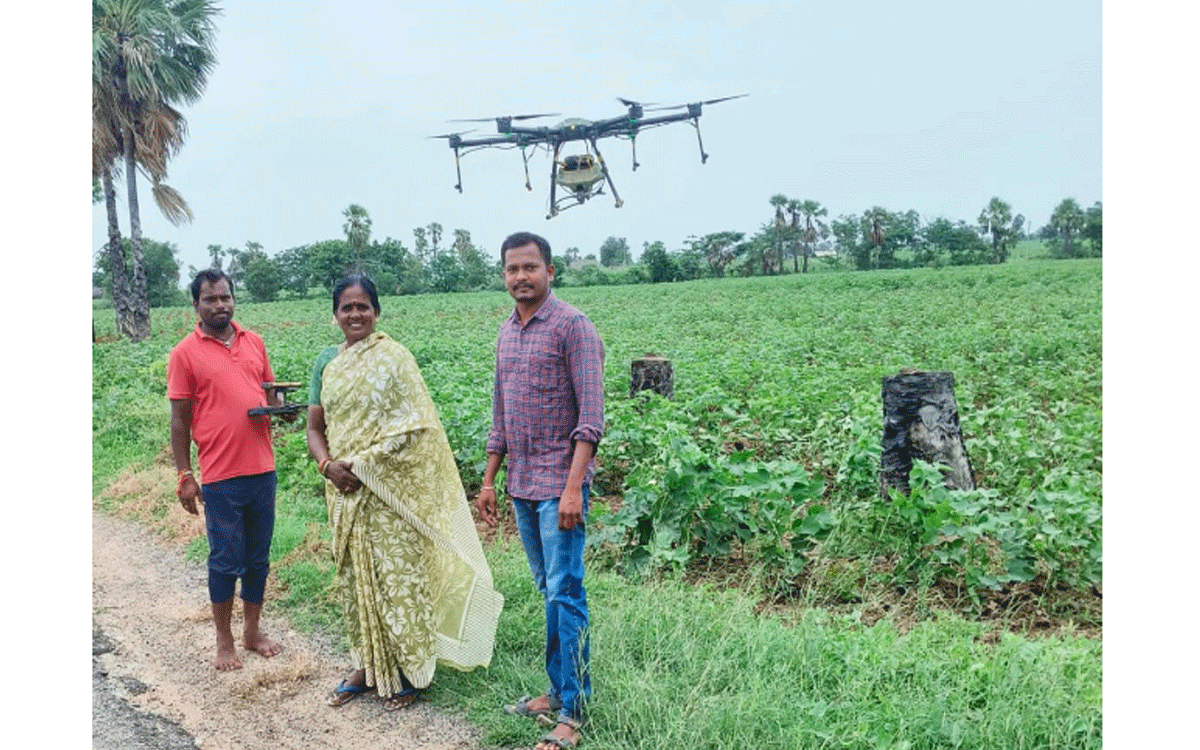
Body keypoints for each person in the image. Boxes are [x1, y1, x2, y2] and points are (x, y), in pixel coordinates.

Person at [306, 274, 502, 712]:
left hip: (389, 491)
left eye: (363, 306)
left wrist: (366, 463)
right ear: (335, 314)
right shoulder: (326, 363)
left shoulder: (395, 359)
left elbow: (417, 427)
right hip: (343, 490)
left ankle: (411, 670)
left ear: (376, 311)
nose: (355, 314)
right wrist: (328, 466)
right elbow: (314, 428)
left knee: (400, 581)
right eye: (346, 307)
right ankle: (365, 666)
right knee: (354, 582)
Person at [476, 232, 605, 750]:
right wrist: (488, 480)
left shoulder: (574, 327)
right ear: (504, 275)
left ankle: (573, 710)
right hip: (521, 487)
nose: (520, 277)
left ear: (550, 271)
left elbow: (591, 419)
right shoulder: (507, 333)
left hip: (560, 486)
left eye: (530, 267)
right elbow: (500, 418)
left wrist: (573, 489)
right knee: (548, 591)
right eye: (512, 269)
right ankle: (556, 690)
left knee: (566, 593)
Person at [168, 269, 285, 671]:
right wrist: (185, 475)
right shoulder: (185, 353)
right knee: (224, 560)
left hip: (262, 470)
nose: (220, 305)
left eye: (225, 297)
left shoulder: (255, 343)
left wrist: (281, 403)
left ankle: (252, 631)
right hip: (219, 475)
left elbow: (269, 390)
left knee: (258, 558)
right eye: (210, 299)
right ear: (196, 305)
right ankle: (224, 641)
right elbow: (180, 419)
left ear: (234, 298)